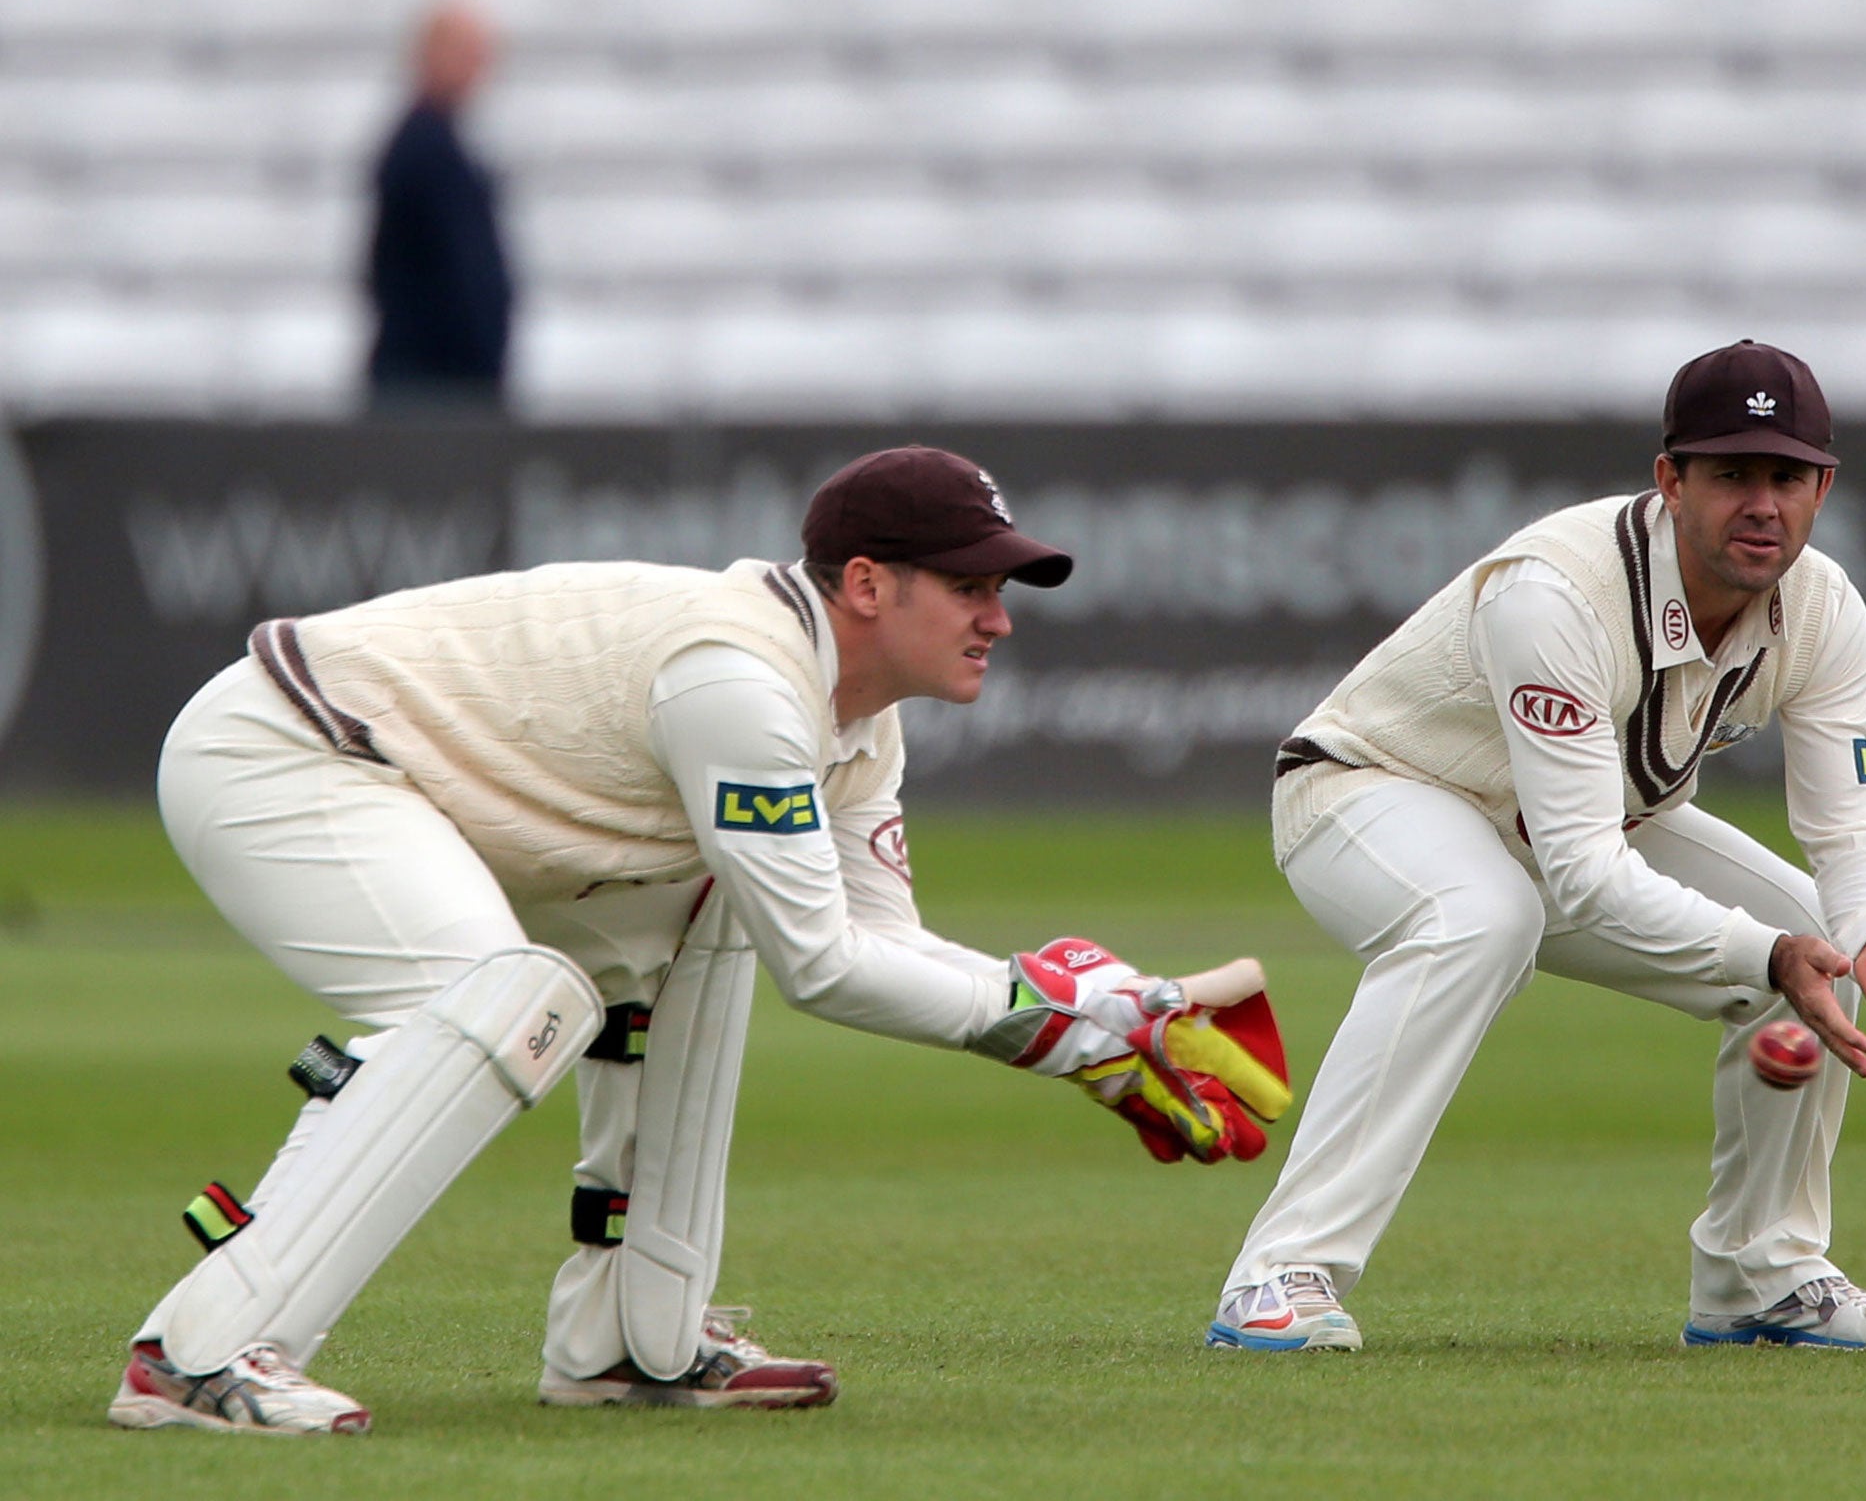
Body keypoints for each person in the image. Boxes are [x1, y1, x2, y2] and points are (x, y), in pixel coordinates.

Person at [107, 446, 1291, 1435]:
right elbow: (822, 972)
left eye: (1005, 587)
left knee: (711, 915)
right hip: (291, 753)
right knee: (508, 1002)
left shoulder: (857, 724)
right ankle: (202, 1352)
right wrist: (1047, 1033)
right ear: (869, 585)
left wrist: (1089, 1013)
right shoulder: (740, 681)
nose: (999, 618)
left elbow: (869, 936)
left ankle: (633, 1338)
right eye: (972, 586)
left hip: (452, 794)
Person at [1206, 340, 1866, 1355]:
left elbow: (1851, 820)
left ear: (1821, 487)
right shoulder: (1557, 592)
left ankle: (1760, 1276)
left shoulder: (1824, 607)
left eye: (1785, 477)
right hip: (1369, 793)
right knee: (1480, 918)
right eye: (1730, 475)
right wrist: (1762, 955)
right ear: (1669, 481)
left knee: (1823, 939)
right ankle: (1276, 1277)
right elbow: (1579, 872)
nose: (1761, 504)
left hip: (1582, 820)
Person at [364, 0, 515, 409]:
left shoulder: (438, 143)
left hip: (439, 378)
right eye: (467, 53)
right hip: (433, 384)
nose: (479, 69)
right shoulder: (425, 149)